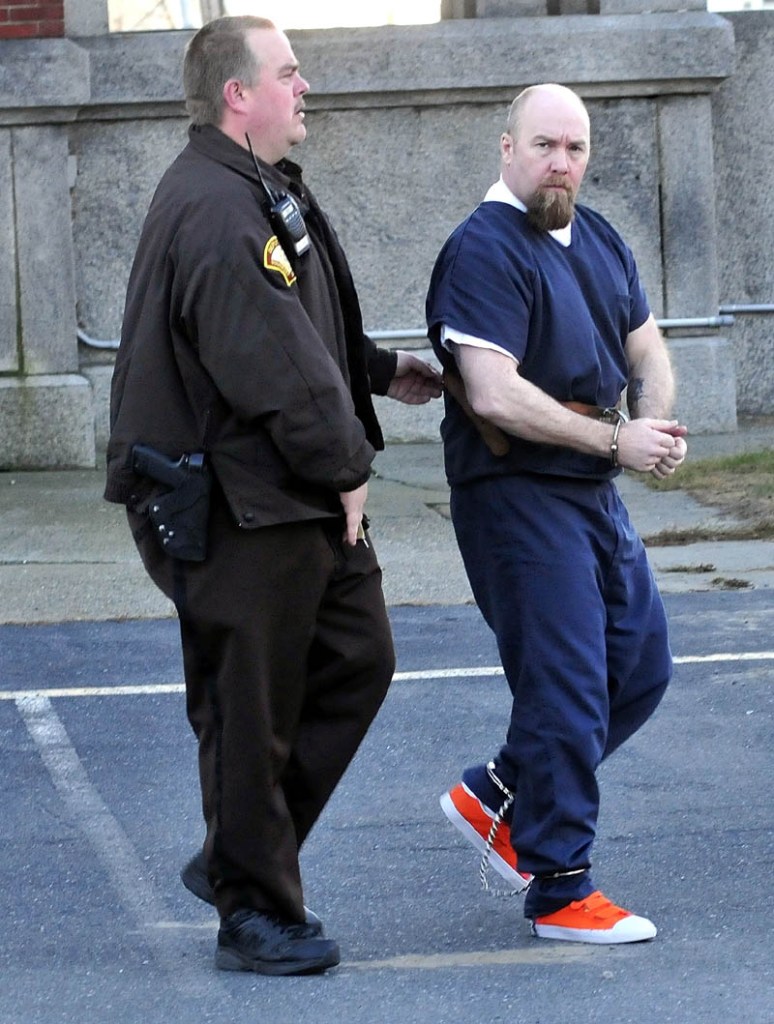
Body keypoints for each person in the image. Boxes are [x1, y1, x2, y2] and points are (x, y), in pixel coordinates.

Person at [105, 15, 441, 976]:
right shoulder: (214, 205)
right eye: (289, 74)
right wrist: (347, 466)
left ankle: (235, 859)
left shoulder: (254, 185)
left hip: (278, 488)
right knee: (248, 709)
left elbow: (298, 323)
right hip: (236, 501)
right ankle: (256, 910)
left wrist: (375, 370)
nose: (305, 89)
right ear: (235, 95)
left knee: (356, 656)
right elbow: (269, 362)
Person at [425, 83, 687, 945]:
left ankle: (498, 792)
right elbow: (494, 395)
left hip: (588, 489)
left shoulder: (599, 236)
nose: (560, 163)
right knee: (567, 686)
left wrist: (653, 419)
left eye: (574, 148)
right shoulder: (484, 250)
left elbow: (645, 346)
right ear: (507, 148)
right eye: (544, 145)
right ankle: (559, 887)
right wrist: (617, 443)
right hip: (517, 496)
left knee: (639, 666)